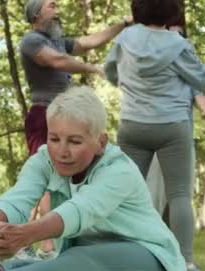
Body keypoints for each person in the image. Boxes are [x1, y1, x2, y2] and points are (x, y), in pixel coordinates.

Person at [0, 86, 187, 271]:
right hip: (98, 263)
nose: (62, 151)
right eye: (54, 138)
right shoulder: (44, 159)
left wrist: (25, 235)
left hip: (153, 262)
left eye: (75, 141)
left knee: (79, 260)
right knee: (25, 266)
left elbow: (79, 210)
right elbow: (18, 200)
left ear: (101, 142)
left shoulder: (119, 171)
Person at [103, 0, 205, 271]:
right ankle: (185, 264)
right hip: (171, 127)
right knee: (179, 195)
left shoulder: (125, 38)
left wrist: (128, 86)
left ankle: (123, 257)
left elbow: (110, 71)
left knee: (126, 196)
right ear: (172, 10)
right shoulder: (177, 43)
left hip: (132, 125)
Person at [20, 0, 132, 251]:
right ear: (37, 14)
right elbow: (57, 61)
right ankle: (45, 244)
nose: (57, 11)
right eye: (52, 6)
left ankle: (39, 240)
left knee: (59, 176)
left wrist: (123, 24)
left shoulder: (57, 41)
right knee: (47, 175)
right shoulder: (32, 41)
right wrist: (94, 68)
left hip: (62, 118)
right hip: (43, 116)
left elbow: (89, 42)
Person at [145, 23, 205, 271]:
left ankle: (183, 262)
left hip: (180, 144)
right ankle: (150, 256)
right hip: (155, 143)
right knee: (153, 200)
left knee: (180, 200)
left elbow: (202, 99)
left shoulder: (188, 77)